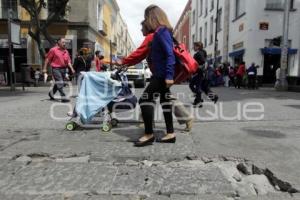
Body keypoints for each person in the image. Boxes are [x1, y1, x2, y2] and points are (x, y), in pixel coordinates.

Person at [114, 20, 193, 132]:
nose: (141, 30)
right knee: (164, 97)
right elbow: (141, 56)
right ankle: (177, 124)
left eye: (142, 27)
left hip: (160, 74)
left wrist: (123, 61)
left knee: (148, 98)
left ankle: (147, 124)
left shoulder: (151, 37)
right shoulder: (155, 36)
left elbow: (139, 53)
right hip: (162, 73)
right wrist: (127, 63)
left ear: (148, 27)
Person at [134, 5, 175, 147]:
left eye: (146, 17)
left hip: (162, 74)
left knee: (144, 100)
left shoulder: (161, 31)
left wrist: (169, 75)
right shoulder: (162, 31)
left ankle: (149, 134)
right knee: (165, 101)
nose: (145, 21)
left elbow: (170, 54)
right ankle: (170, 134)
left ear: (152, 17)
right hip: (161, 74)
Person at [43, 38, 75, 102]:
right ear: (59, 42)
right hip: (56, 69)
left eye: (65, 43)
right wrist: (44, 68)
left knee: (59, 83)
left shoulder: (66, 51)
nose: (64, 44)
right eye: (63, 42)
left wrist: (72, 68)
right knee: (60, 82)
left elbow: (68, 61)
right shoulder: (53, 50)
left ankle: (51, 94)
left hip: (63, 69)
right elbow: (47, 59)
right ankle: (63, 97)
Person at [190, 42, 218, 106]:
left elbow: (204, 62)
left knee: (194, 86)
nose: (193, 47)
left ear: (198, 46)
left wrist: (200, 68)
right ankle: (212, 97)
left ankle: (198, 100)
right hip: (203, 73)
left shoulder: (199, 53)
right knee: (203, 87)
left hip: (200, 73)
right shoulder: (202, 52)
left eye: (194, 46)